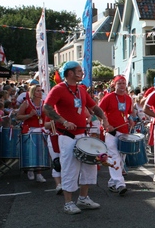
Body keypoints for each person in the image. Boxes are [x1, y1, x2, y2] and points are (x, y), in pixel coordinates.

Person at [44, 61, 110, 214]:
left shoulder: (81, 90)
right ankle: (68, 203)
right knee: (70, 168)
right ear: (70, 73)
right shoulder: (58, 89)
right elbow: (46, 108)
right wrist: (63, 121)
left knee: (89, 166)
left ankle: (83, 198)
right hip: (66, 136)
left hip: (82, 135)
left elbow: (94, 107)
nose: (82, 73)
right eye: (79, 71)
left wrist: (104, 119)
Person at [99, 76, 133, 195]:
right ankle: (120, 184)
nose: (122, 85)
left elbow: (129, 113)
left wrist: (131, 119)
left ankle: (112, 183)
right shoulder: (108, 97)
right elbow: (99, 112)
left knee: (121, 159)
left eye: (124, 83)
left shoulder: (128, 98)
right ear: (114, 85)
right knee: (114, 157)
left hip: (124, 132)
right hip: (111, 132)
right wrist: (106, 124)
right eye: (119, 83)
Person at [15, 84, 48, 183]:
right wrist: (29, 115)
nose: (40, 92)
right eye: (38, 91)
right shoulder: (27, 103)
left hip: (41, 129)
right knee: (31, 152)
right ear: (33, 93)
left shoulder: (44, 103)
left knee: (40, 152)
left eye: (41, 90)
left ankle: (39, 173)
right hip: (30, 130)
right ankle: (30, 169)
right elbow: (18, 116)